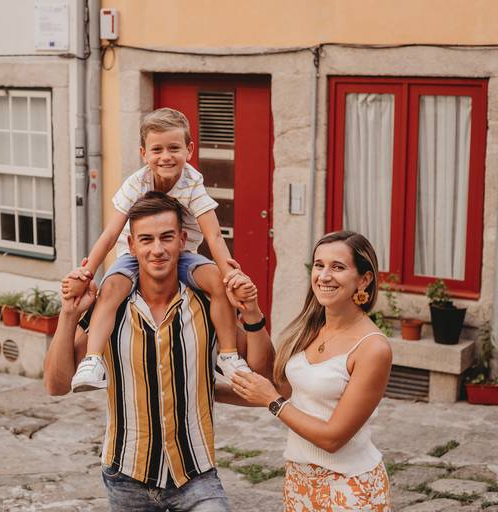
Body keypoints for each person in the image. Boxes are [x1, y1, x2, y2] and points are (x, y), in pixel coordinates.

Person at [44, 192, 274, 512]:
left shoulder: (207, 304)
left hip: (196, 473)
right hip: (127, 476)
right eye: (147, 240)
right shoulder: (108, 311)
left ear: (182, 240)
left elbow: (262, 373)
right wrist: (68, 314)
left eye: (167, 237)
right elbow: (56, 386)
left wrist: (252, 313)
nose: (157, 249)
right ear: (132, 245)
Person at [61, 107, 253, 392]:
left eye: (174, 148)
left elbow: (213, 235)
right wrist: (86, 272)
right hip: (134, 253)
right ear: (144, 153)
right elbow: (111, 233)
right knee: (112, 286)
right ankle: (93, 359)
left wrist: (230, 276)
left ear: (189, 150)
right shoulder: (136, 184)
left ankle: (227, 355)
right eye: (157, 149)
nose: (166, 156)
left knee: (215, 280)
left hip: (182, 253)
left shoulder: (193, 185)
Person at [230, 231, 393, 511]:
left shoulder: (373, 348)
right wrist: (252, 314)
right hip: (298, 482)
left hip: (351, 488)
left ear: (364, 279)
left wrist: (273, 401)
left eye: (338, 267)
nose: (324, 276)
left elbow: (333, 438)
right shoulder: (309, 329)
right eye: (319, 265)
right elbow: (276, 386)